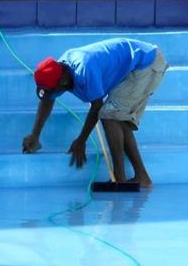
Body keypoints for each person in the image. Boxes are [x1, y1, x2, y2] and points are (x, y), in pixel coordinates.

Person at [22, 37, 168, 187]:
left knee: (109, 115)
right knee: (117, 116)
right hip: (135, 64)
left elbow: (97, 107)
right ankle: (142, 178)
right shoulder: (59, 71)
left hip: (147, 63)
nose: (50, 94)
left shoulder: (84, 70)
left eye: (51, 90)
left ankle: (119, 179)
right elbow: (48, 99)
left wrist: (81, 140)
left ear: (63, 82)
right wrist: (35, 135)